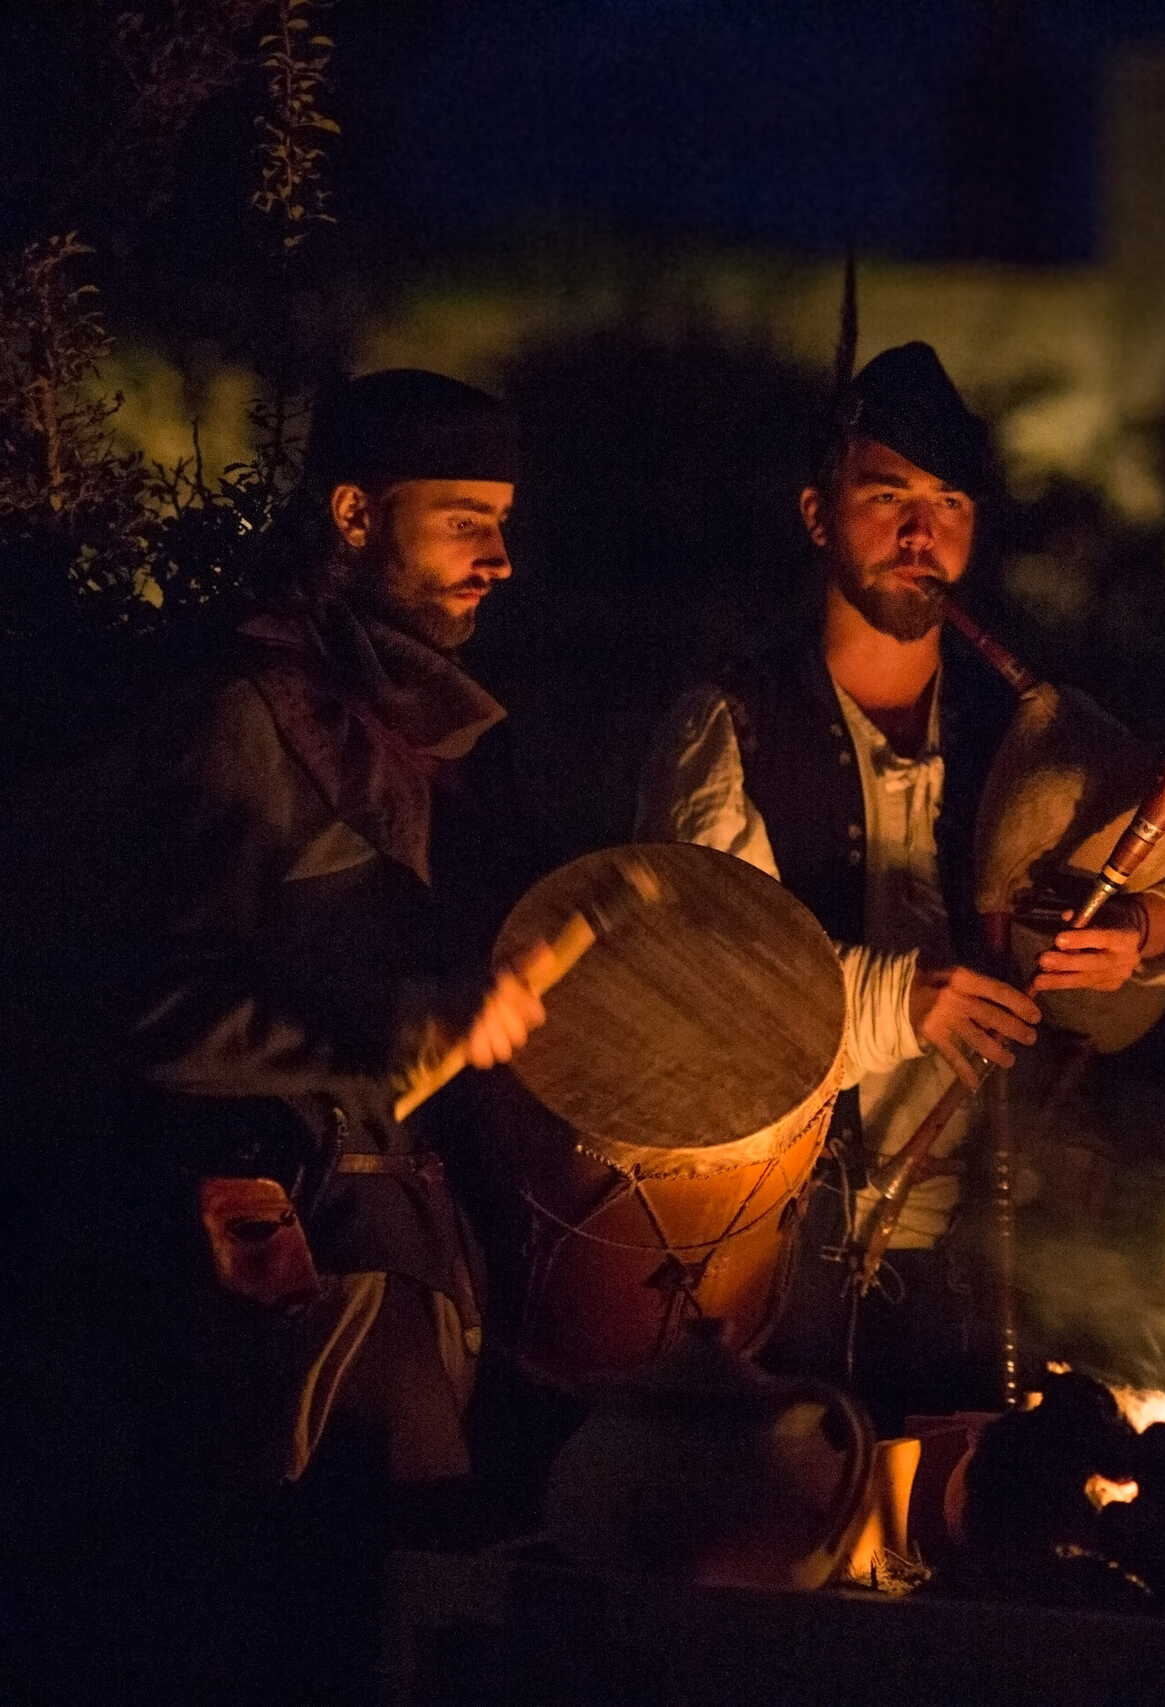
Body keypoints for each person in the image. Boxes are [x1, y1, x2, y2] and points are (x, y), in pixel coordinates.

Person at [10, 369, 554, 1700]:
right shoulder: (242, 716)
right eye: (462, 517)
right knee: (309, 1615)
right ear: (358, 515)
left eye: (505, 517)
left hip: (401, 1230)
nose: (499, 555)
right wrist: (401, 1024)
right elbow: (155, 1005)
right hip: (276, 1253)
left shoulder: (408, 722)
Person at [635, 342, 1165, 1429]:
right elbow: (704, 989)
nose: (920, 535)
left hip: (1005, 1249)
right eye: (887, 499)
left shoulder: (1021, 730)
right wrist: (900, 1002)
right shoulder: (730, 724)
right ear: (817, 514)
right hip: (778, 1253)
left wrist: (1147, 928)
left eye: (948, 504)